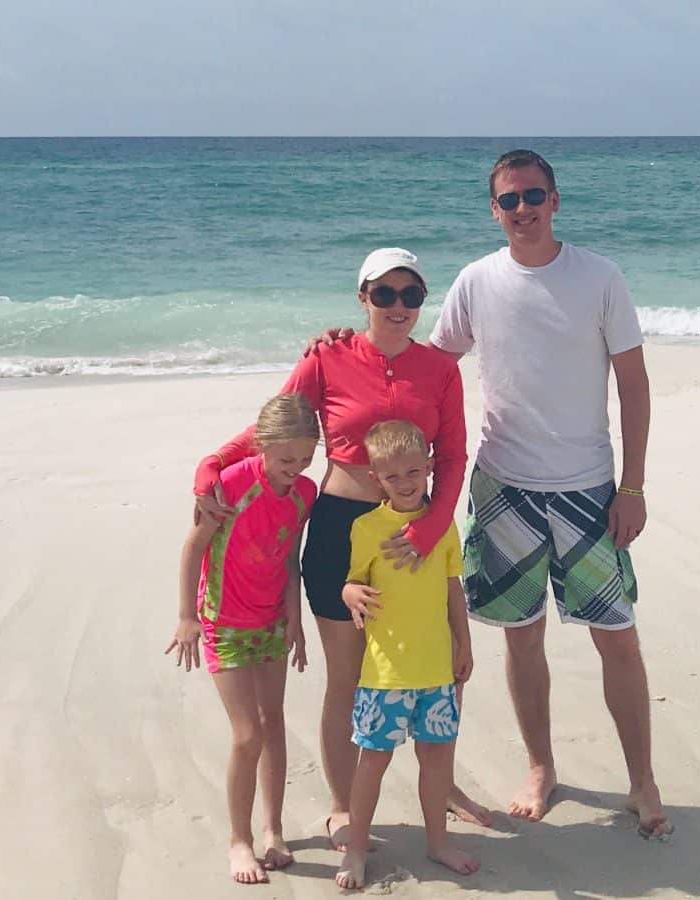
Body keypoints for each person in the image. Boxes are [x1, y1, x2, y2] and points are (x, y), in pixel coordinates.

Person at [191, 248, 491, 851]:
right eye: (385, 294)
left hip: (413, 531)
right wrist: (214, 463)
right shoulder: (327, 355)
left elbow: (455, 455)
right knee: (349, 678)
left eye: (411, 294)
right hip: (338, 529)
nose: (399, 306)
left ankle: (442, 785)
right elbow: (274, 428)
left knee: (435, 664)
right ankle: (339, 806)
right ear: (363, 298)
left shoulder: (439, 370)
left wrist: (433, 526)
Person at [431, 149, 670, 836]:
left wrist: (633, 486)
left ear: (556, 201)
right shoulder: (476, 282)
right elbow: (434, 370)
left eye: (534, 196)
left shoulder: (598, 277)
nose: (523, 209)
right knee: (521, 637)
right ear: (494, 209)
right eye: (509, 200)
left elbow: (634, 383)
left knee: (618, 638)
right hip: (504, 488)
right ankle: (541, 767)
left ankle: (642, 782)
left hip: (588, 490)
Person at [166, 393, 318, 884]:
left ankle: (274, 832)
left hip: (272, 620)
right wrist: (187, 616)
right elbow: (193, 548)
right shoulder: (231, 485)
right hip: (224, 623)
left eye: (304, 460)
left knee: (274, 723)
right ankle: (240, 840)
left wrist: (295, 619)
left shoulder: (306, 493)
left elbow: (291, 556)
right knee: (247, 732)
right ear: (260, 447)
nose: (294, 469)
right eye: (284, 459)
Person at [335, 420, 478, 889]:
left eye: (414, 472)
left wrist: (464, 642)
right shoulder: (367, 527)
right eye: (393, 476)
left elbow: (452, 588)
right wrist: (350, 593)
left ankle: (438, 842)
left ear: (430, 468)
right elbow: (353, 581)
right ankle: (355, 850)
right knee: (372, 763)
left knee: (436, 760)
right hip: (385, 674)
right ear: (376, 478)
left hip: (435, 670)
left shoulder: (442, 525)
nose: (406, 483)